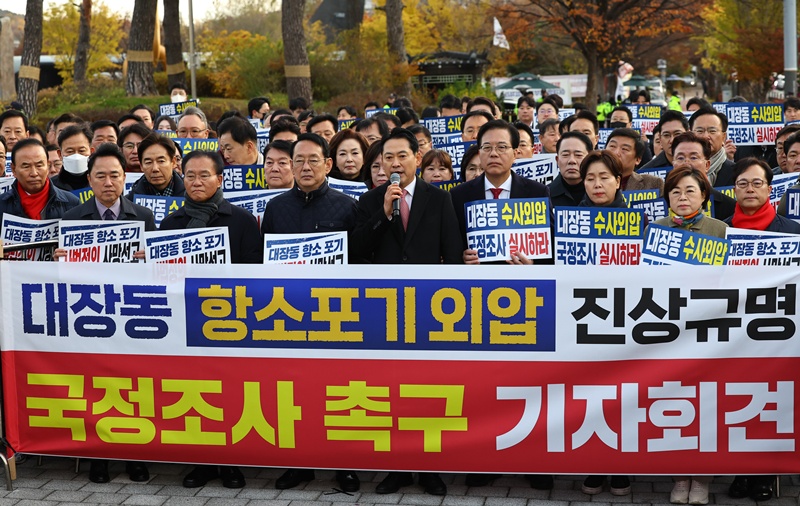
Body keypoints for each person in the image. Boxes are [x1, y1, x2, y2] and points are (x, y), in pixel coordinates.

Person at [350, 128, 461, 495]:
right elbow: (356, 249)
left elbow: (452, 255)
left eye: (402, 156)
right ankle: (396, 467)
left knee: (427, 388)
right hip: (384, 308)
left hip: (430, 308)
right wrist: (383, 214)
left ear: (417, 157)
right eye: (388, 158)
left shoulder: (439, 199)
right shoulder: (370, 200)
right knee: (391, 389)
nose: (395, 163)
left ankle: (429, 467)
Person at [160, 150, 260, 488]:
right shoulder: (171, 224)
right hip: (185, 324)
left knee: (230, 392)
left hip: (230, 322)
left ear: (220, 179)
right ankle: (201, 461)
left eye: (204, 175)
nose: (196, 181)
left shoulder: (242, 221)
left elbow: (253, 272)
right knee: (195, 393)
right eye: (189, 175)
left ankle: (231, 461)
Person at [452, 120, 551, 268]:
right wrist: (462, 258)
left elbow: (550, 248)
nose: (493, 154)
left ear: (515, 153)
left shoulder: (537, 193)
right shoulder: (458, 195)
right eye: (487, 148)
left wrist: (532, 265)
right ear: (479, 153)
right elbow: (451, 246)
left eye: (502, 147)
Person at [0, 138, 79, 223]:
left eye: (39, 165)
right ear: (14, 169)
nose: (34, 173)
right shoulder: (2, 205)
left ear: (47, 166)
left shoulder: (71, 203)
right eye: (26, 166)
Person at [670, 132, 736, 221]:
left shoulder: (729, 207)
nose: (686, 163)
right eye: (680, 158)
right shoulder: (662, 204)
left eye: (693, 158)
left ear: (707, 165)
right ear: (673, 164)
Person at [725, 158, 800, 234]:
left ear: (769, 190)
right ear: (735, 190)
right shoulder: (722, 231)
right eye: (743, 184)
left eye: (757, 183)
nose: (750, 189)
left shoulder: (793, 230)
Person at [653, 166, 727, 238]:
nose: (683, 198)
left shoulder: (721, 230)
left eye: (689, 191)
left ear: (703, 195)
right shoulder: (654, 229)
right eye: (676, 192)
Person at [127, 134, 186, 198]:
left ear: (173, 162)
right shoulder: (130, 200)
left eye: (161, 161)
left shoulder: (190, 196)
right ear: (141, 166)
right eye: (148, 162)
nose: (155, 168)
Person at [689, 107, 735, 187]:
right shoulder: (682, 170)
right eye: (700, 131)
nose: (706, 136)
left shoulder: (737, 172)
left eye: (712, 131)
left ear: (723, 137)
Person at [548, 131, 593, 207]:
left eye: (578, 155)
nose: (572, 161)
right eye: (565, 155)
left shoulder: (600, 193)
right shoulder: (544, 195)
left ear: (589, 159)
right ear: (557, 160)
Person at [51, 124, 94, 191]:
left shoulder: (100, 183)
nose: (76, 157)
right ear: (60, 154)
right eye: (70, 151)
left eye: (81, 151)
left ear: (91, 152)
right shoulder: (51, 187)